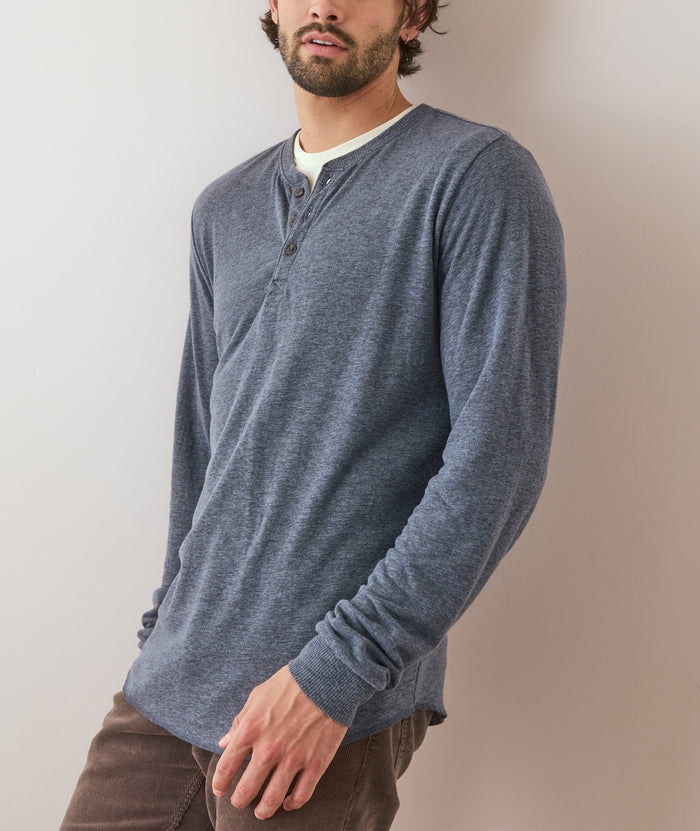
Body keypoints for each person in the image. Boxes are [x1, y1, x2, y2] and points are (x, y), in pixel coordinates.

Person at [61, 1, 566, 829]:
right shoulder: (222, 208)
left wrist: (335, 673)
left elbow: (499, 458)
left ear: (413, 14)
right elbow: (202, 446)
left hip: (325, 699)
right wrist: (164, 624)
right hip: (172, 681)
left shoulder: (476, 176)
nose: (325, 5)